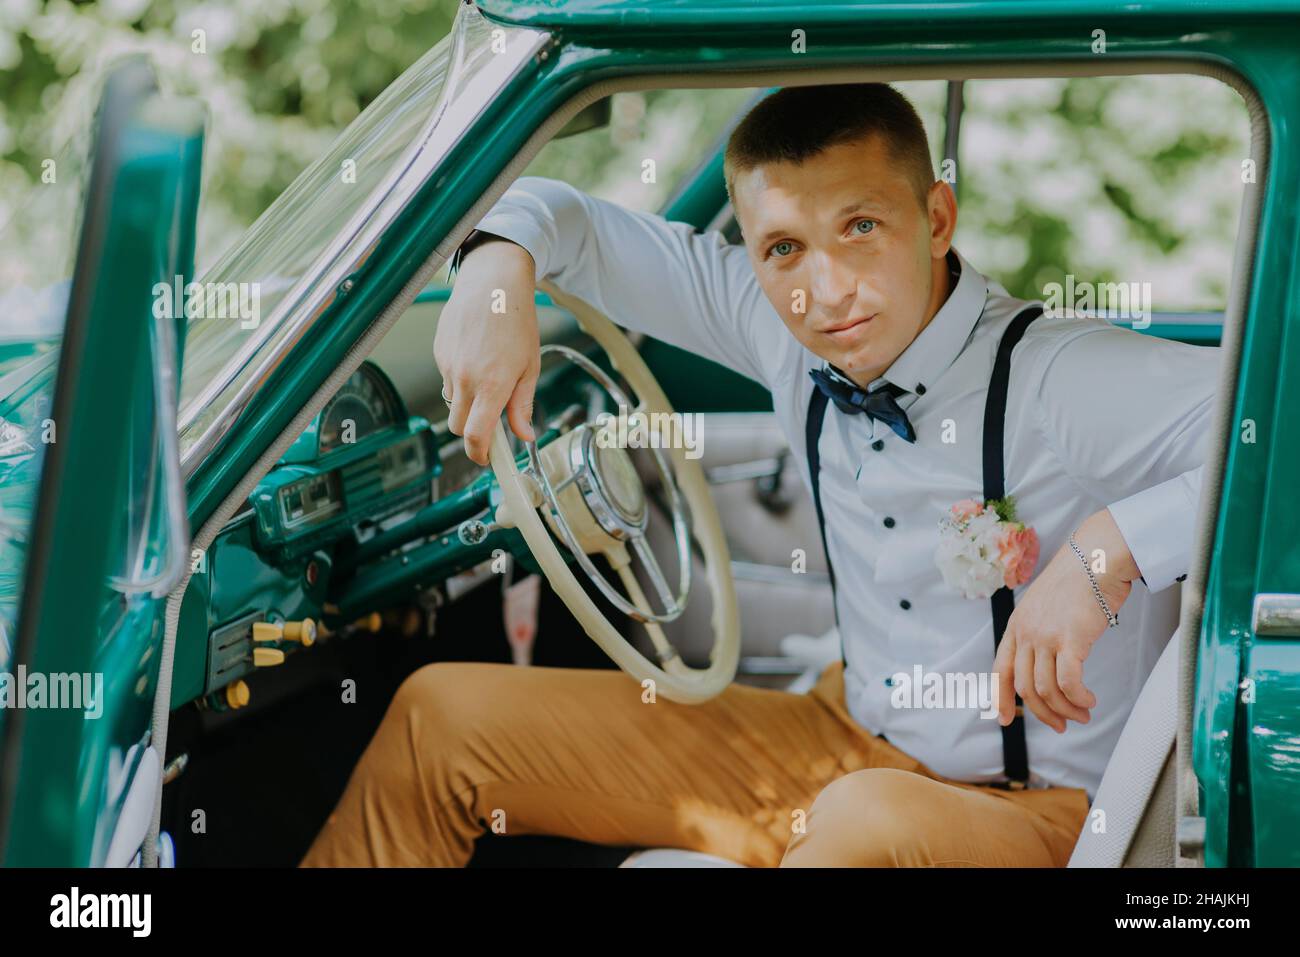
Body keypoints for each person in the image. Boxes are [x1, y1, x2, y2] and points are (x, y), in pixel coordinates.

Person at [300, 83, 1219, 867]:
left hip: (1041, 809)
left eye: (861, 227)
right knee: (442, 716)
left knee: (863, 818)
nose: (823, 294)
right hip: (846, 743)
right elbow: (563, 217)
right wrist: (494, 278)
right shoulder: (770, 317)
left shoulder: (1061, 375)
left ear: (936, 219)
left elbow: (1278, 432)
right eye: (782, 247)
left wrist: (1110, 550)